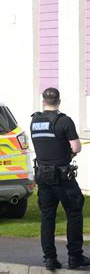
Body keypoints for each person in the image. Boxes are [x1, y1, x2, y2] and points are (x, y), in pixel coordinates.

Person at [30, 87, 90, 270]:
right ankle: (75, 256)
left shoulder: (35, 121)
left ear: (43, 101)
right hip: (63, 178)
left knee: (47, 216)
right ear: (59, 101)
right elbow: (76, 147)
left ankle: (49, 258)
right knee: (74, 211)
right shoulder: (64, 121)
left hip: (43, 177)